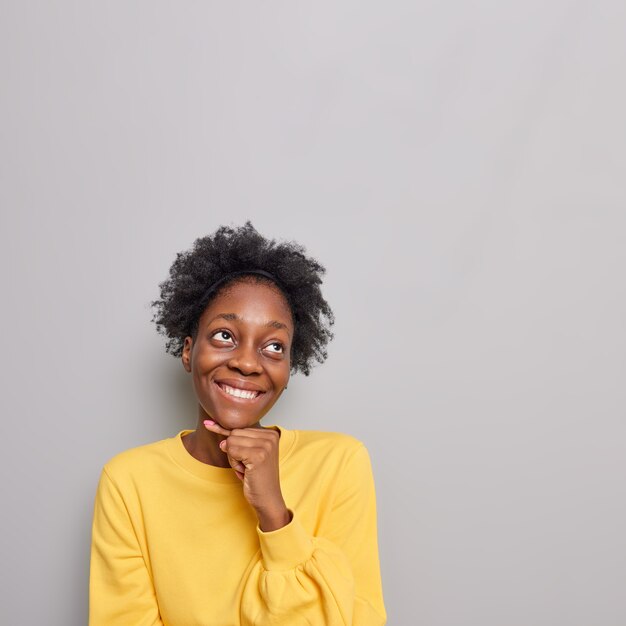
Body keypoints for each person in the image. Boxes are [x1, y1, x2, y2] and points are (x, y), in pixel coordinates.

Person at [88, 222, 387, 626]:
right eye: (225, 335)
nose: (247, 362)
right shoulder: (129, 482)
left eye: (274, 346)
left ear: (289, 367)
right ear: (188, 351)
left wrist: (275, 516)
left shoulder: (340, 463)